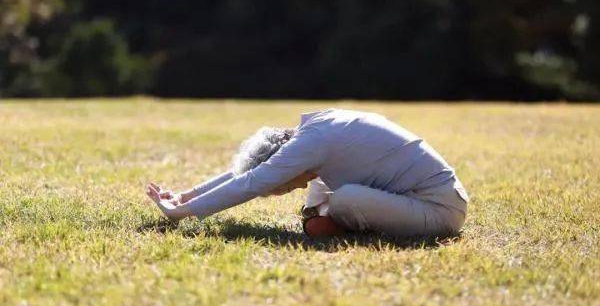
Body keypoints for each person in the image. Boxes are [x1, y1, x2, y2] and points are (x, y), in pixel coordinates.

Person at [146, 108, 469, 237]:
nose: (290, 189)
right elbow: (248, 172)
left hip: (438, 209)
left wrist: (183, 212)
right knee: (321, 190)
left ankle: (338, 222)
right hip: (422, 192)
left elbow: (253, 181)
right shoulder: (313, 128)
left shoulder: (311, 144)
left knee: (343, 199)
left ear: (286, 161)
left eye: (283, 187)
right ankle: (326, 218)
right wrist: (186, 194)